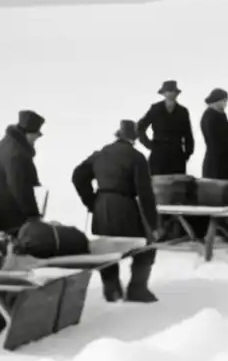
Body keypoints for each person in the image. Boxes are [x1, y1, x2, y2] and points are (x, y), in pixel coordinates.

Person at [72, 120, 159, 303]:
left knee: (106, 248)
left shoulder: (100, 154)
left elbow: (78, 176)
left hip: (102, 208)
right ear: (133, 138)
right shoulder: (137, 157)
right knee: (146, 246)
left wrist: (92, 202)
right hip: (125, 208)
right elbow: (145, 194)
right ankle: (137, 289)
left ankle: (111, 289)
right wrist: (153, 224)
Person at [0, 110, 45, 233]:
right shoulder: (17, 154)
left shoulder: (3, 145)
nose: (35, 140)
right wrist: (33, 216)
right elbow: (19, 187)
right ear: (28, 133)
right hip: (11, 216)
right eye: (35, 136)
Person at [136, 80, 195, 176]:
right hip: (158, 155)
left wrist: (187, 154)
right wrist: (149, 145)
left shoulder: (183, 111)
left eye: (173, 91)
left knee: (178, 187)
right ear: (163, 93)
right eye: (168, 91)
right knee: (156, 186)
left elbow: (188, 134)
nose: (171, 94)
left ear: (177, 94)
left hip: (176, 155)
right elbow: (139, 127)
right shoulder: (156, 108)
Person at [200, 88, 228, 180]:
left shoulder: (214, 114)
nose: (225, 104)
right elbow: (220, 138)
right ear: (217, 101)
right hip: (219, 162)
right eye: (224, 101)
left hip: (220, 160)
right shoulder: (211, 116)